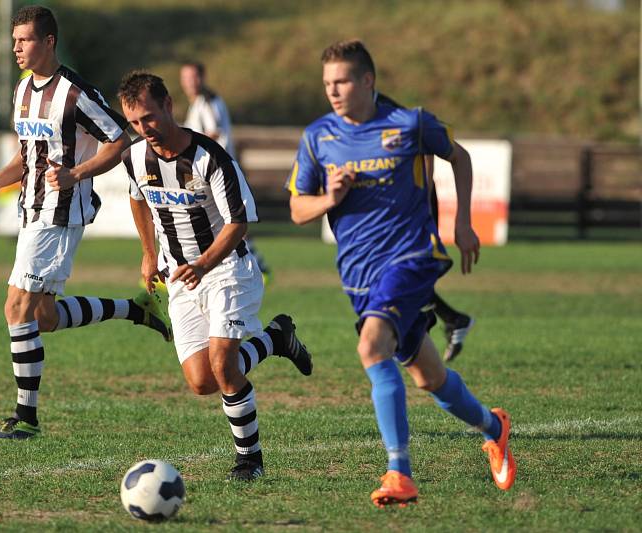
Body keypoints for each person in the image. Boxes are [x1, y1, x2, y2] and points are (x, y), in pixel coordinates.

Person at [286, 40, 515, 506]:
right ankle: (494, 427)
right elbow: (295, 209)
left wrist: (463, 221)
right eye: (328, 83)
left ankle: (399, 472)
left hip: (412, 258)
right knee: (428, 377)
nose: (333, 90)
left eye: (343, 81)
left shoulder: (408, 123)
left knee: (372, 347)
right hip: (358, 272)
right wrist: (330, 199)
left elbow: (461, 156)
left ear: (368, 81)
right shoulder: (318, 137)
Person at [0, 5, 171, 441]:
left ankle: (26, 418)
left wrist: (76, 174)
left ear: (48, 42)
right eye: (14, 40)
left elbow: (119, 141)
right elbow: (28, 155)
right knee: (43, 317)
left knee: (15, 308)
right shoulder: (23, 90)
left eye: (24, 40)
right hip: (30, 209)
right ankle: (135, 309)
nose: (16, 48)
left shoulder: (76, 93)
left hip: (60, 216)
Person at [118, 71, 313, 481]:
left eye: (149, 118)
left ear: (169, 106)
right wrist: (149, 253)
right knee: (202, 381)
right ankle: (277, 337)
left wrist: (204, 262)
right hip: (180, 277)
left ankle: (250, 460)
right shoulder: (135, 157)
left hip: (227, 270)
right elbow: (138, 198)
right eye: (134, 123)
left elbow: (238, 222)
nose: (143, 129)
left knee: (224, 365)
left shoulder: (211, 159)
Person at [376, 92, 475, 362]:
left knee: (398, 274)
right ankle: (448, 319)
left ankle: (436, 322)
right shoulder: (353, 125)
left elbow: (438, 155)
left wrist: (457, 220)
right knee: (391, 275)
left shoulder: (405, 122)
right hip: (396, 210)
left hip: (416, 206)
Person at [179, 61, 272, 283]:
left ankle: (256, 266)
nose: (190, 82)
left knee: (223, 219)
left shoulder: (209, 102)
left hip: (213, 171)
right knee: (210, 218)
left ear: (203, 77)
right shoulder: (198, 103)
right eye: (186, 78)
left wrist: (190, 154)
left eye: (194, 77)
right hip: (199, 171)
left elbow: (214, 134)